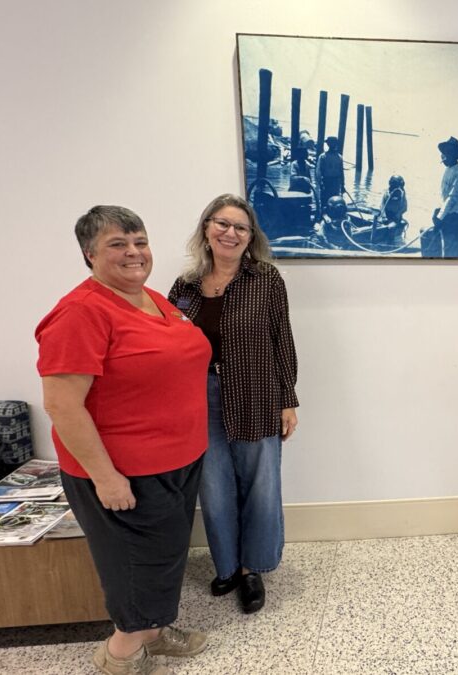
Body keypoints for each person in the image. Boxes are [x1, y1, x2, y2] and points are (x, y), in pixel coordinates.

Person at [36, 206, 211, 675]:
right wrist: (106, 476)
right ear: (89, 254)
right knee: (134, 566)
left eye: (140, 240)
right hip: (124, 471)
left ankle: (153, 632)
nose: (134, 252)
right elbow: (62, 405)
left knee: (162, 559)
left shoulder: (153, 299)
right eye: (118, 244)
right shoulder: (80, 312)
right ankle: (122, 654)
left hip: (176, 462)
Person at [168, 194, 298, 616]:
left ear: (250, 236)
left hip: (258, 391)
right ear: (206, 229)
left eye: (240, 227)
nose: (230, 232)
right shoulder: (184, 286)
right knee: (215, 485)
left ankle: (251, 567)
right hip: (197, 396)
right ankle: (226, 565)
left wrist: (288, 400)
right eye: (222, 223)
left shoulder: (267, 279)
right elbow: (167, 346)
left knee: (260, 483)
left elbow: (282, 341)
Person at [430, 136, 458, 258]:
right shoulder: (449, 168)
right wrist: (439, 210)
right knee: (447, 238)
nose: (444, 157)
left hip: (456, 210)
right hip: (449, 208)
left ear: (453, 155)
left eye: (447, 154)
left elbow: (452, 197)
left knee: (452, 240)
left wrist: (441, 216)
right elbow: (444, 195)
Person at [315, 136, 344, 208]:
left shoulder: (339, 157)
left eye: (333, 144)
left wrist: (343, 185)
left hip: (336, 182)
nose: (332, 145)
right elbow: (318, 171)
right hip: (326, 181)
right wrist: (320, 183)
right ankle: (322, 215)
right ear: (328, 145)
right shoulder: (323, 156)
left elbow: (341, 172)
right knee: (324, 201)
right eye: (330, 144)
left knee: (335, 201)